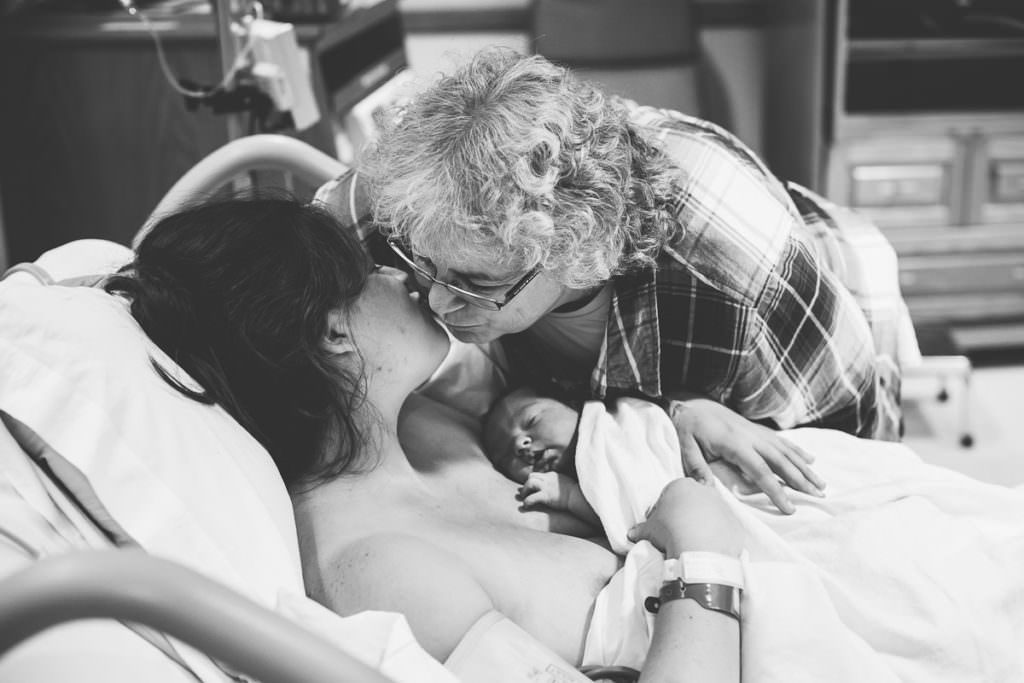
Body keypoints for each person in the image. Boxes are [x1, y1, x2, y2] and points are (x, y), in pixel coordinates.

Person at [105, 195, 744, 681]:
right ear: (334, 332)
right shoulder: (378, 571)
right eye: (366, 272)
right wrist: (704, 552)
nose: (404, 276)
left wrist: (678, 415)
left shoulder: (420, 416)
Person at [341, 48, 903, 515]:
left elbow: (851, 458)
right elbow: (291, 257)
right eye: (424, 263)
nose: (437, 299)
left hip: (825, 311)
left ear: (575, 252)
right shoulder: (415, 193)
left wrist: (675, 414)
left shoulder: (731, 273)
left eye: (474, 281)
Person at [482, 386, 601, 528]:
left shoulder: (611, 419)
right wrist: (570, 496)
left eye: (531, 420)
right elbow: (620, 520)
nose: (520, 445)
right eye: (506, 457)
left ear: (571, 404)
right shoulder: (581, 490)